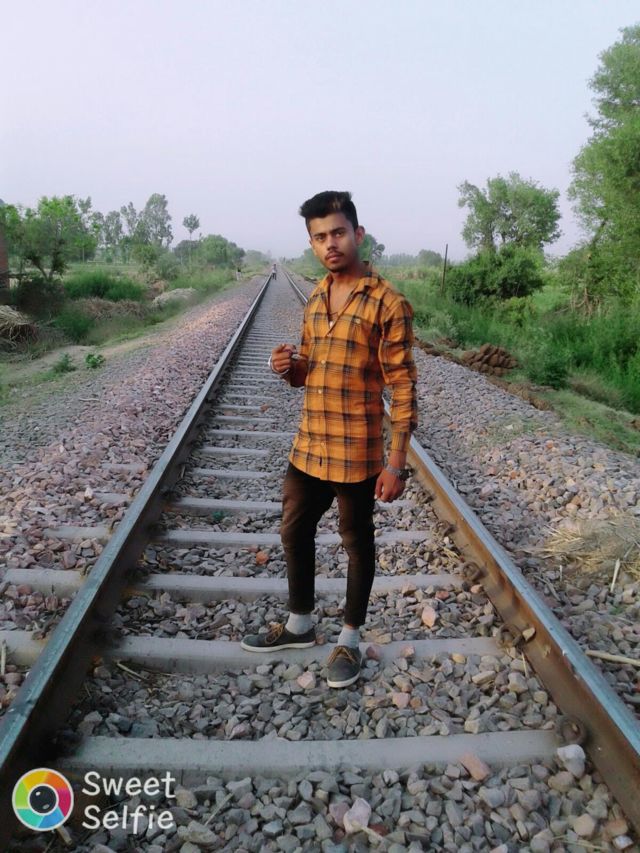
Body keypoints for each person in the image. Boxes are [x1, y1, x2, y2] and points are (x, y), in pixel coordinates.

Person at [241, 191, 417, 688]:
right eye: (319, 237)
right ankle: (299, 624)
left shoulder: (388, 303)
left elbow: (403, 385)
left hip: (357, 449)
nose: (329, 244)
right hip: (309, 444)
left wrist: (396, 462)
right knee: (293, 531)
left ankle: (350, 639)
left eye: (338, 233)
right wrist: (287, 367)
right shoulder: (317, 297)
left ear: (358, 234)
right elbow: (308, 372)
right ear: (312, 243)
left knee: (356, 541)